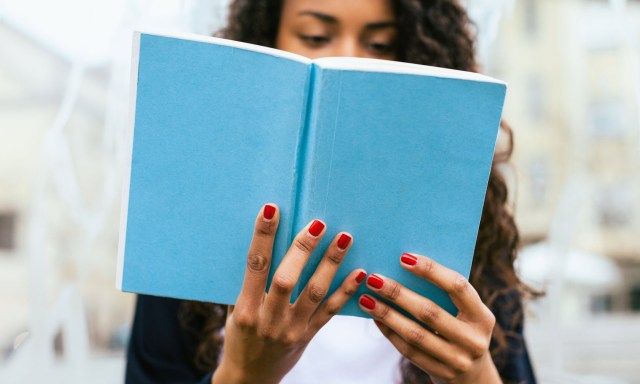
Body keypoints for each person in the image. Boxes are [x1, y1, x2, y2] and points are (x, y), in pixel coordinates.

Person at [125, 0, 538, 383]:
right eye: (315, 37)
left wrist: (476, 375)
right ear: (267, 38)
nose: (349, 58)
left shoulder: (468, 230)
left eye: (380, 43)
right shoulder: (189, 220)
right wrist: (241, 372)